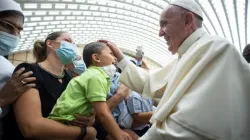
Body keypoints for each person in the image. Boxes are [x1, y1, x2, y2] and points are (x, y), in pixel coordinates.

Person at [104, 0, 250, 139]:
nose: (160, 33)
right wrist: (122, 60)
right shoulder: (189, 53)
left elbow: (190, 125)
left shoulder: (215, 49)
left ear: (187, 20)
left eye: (164, 24)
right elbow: (152, 82)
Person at [3, 31, 96, 140]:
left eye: (74, 43)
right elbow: (31, 128)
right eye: (67, 41)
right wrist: (83, 133)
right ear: (50, 44)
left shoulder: (69, 79)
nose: (73, 46)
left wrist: (89, 119)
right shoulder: (30, 71)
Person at [48, 42, 133, 140]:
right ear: (96, 58)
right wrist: (119, 136)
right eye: (111, 54)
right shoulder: (96, 76)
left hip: (69, 122)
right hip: (64, 123)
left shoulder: (97, 76)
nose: (115, 58)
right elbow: (103, 114)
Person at [0, 0, 36, 138]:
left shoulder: (7, 65)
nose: (14, 35)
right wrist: (2, 99)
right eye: (7, 26)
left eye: (19, 30)